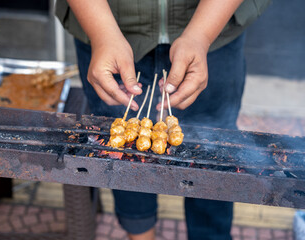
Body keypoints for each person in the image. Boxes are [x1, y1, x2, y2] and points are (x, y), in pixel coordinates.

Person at [55, 1, 271, 239]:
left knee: (213, 158)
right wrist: (101, 32)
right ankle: (138, 232)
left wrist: (202, 35)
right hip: (107, 32)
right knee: (125, 158)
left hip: (215, 30)